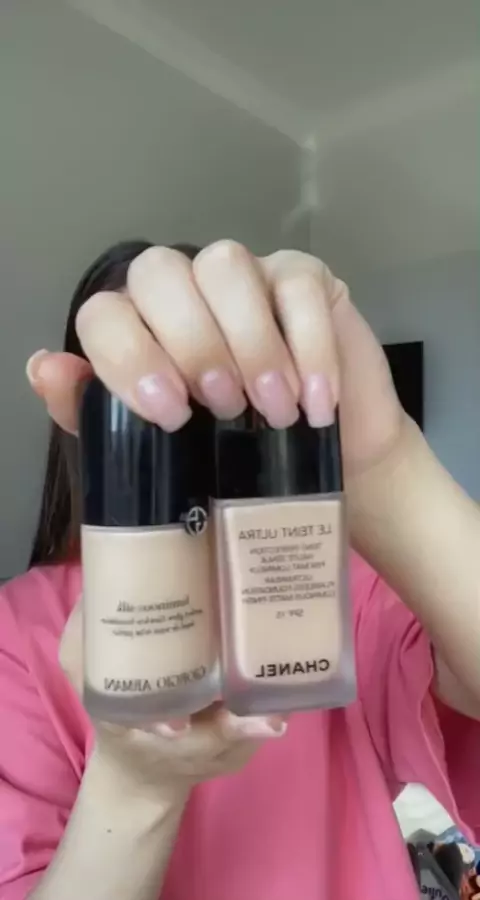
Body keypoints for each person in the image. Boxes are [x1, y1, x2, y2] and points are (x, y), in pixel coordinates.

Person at [1, 239, 479, 900]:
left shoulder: (320, 583)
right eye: (142, 387)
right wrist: (137, 784)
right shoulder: (16, 633)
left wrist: (387, 465)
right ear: (93, 419)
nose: (180, 412)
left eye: (200, 377)